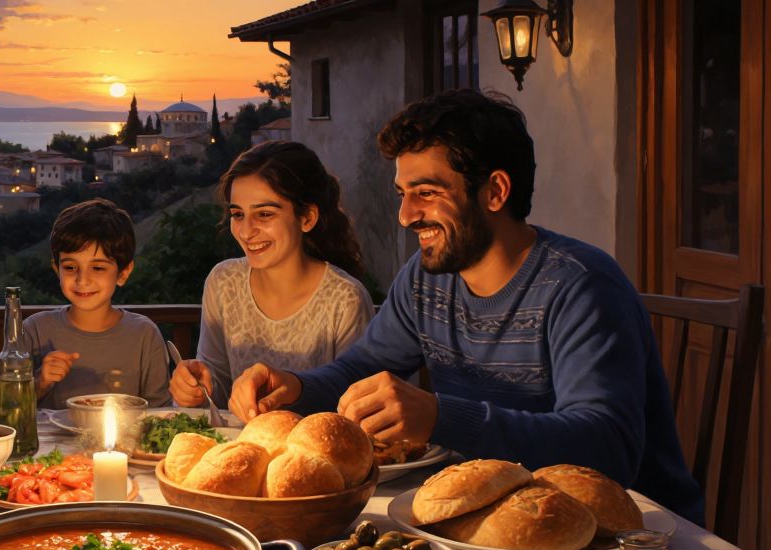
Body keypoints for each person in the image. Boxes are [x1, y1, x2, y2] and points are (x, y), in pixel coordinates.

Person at [229, 89, 704, 522]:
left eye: (427, 194)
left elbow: (608, 449)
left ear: (495, 192)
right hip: (494, 517)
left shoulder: (582, 286)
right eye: (403, 195)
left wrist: (441, 417)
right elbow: (360, 369)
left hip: (633, 540)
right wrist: (294, 387)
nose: (406, 216)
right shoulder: (426, 280)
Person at [169, 140, 373, 409]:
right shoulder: (223, 282)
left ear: (307, 218)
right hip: (240, 436)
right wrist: (197, 388)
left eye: (264, 214)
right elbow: (217, 386)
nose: (246, 231)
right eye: (238, 214)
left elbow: (356, 407)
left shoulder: (345, 300)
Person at [25, 198, 169, 409]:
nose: (83, 280)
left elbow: (160, 409)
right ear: (57, 270)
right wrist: (40, 382)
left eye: (98, 268)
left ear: (123, 273)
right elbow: (4, 401)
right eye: (70, 267)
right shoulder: (35, 330)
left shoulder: (144, 335)